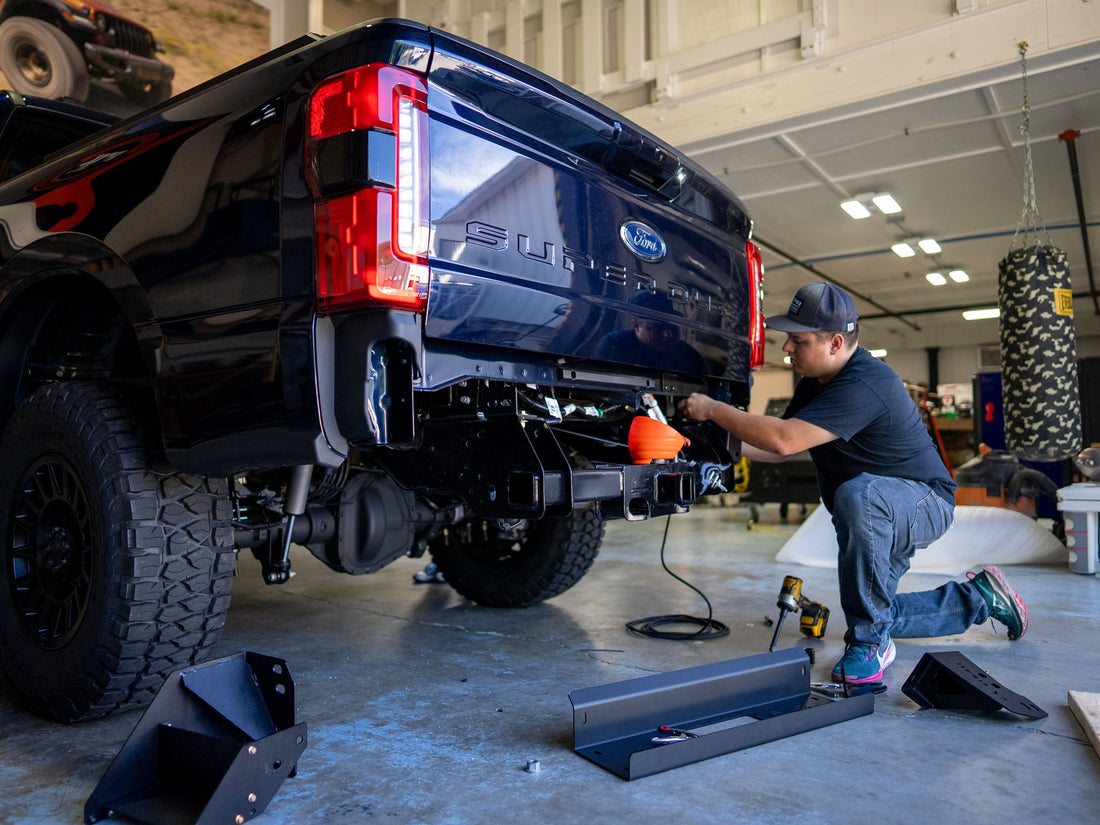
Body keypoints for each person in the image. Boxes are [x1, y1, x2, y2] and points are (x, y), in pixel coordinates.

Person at [677, 282, 1029, 684]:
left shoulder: (867, 381)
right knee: (879, 612)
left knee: (858, 499)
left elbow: (783, 437)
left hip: (920, 503)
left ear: (835, 342)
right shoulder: (815, 382)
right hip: (878, 507)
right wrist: (705, 443)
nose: (786, 349)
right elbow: (780, 451)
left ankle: (868, 646)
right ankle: (980, 598)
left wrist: (713, 408)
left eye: (797, 340)